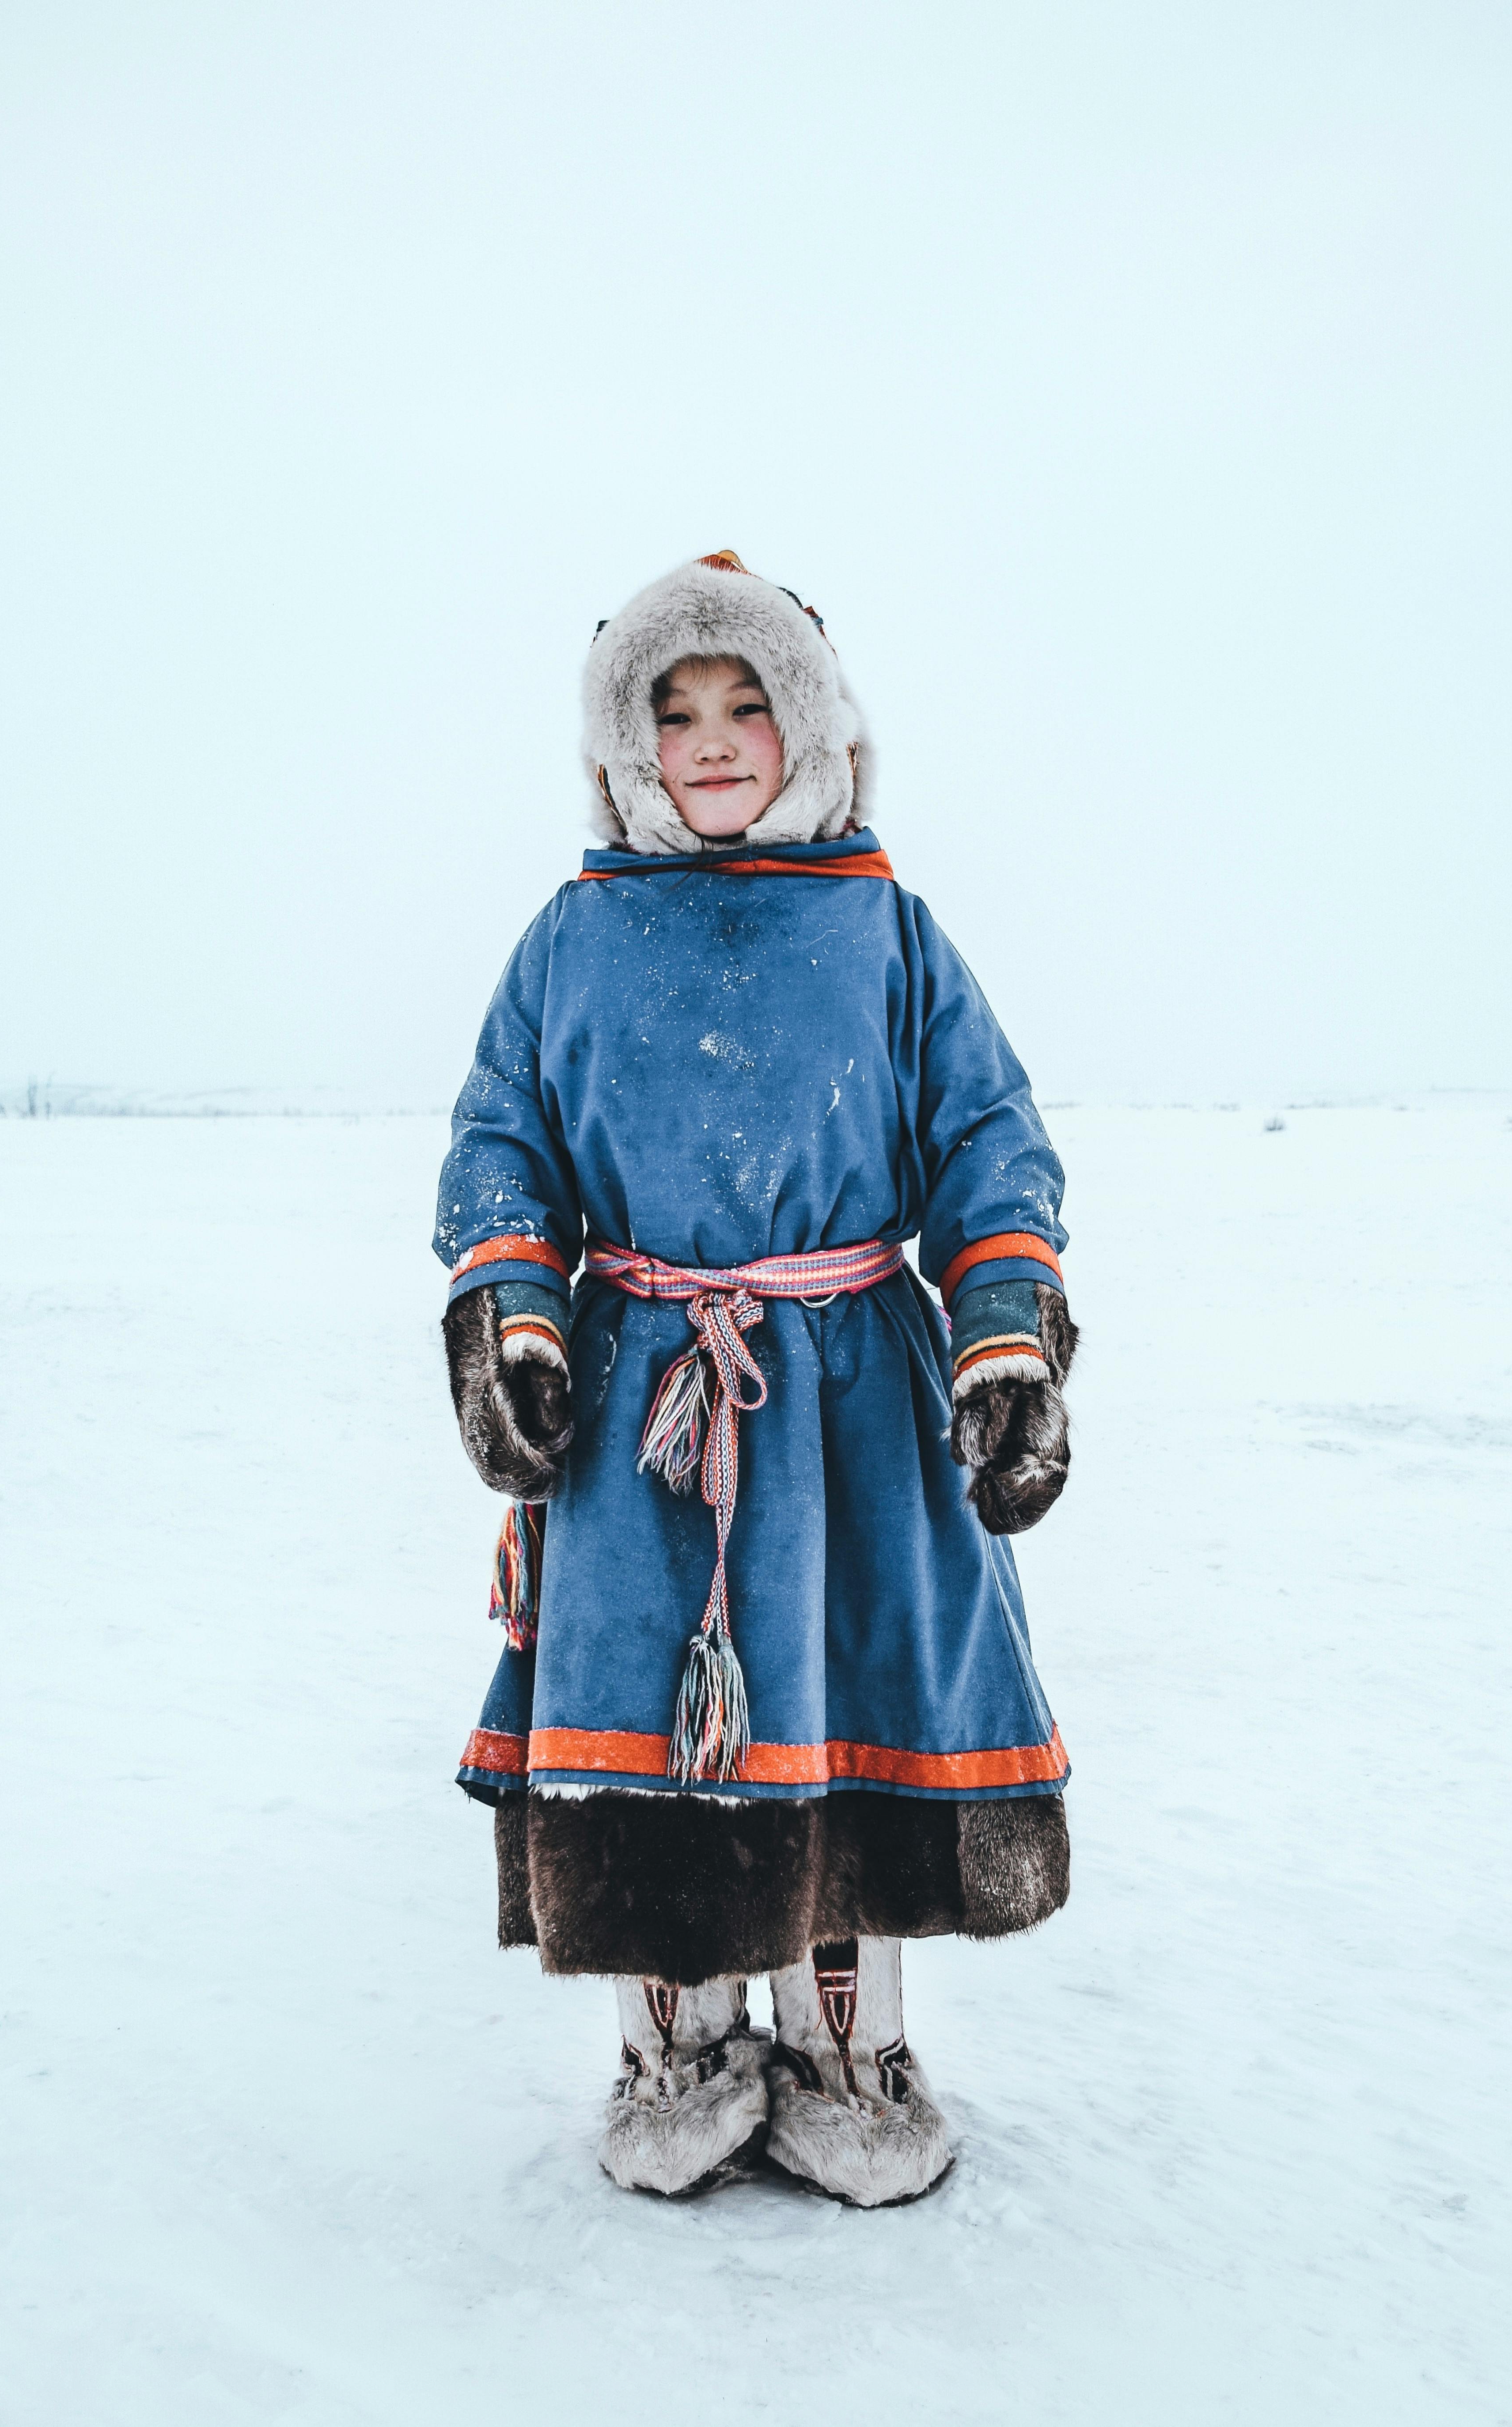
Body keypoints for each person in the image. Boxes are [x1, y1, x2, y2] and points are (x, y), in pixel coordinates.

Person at [436, 550, 1078, 2207]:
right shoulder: (570, 939)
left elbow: (988, 1144)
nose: (713, 740)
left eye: (748, 704)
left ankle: (847, 2051)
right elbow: (502, 1142)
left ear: (815, 727)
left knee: (839, 1695)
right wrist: (511, 1311)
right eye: (673, 711)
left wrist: (1006, 1331)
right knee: (655, 1720)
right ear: (623, 750)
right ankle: (680, 2048)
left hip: (849, 1394)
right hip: (639, 1398)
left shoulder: (889, 929)